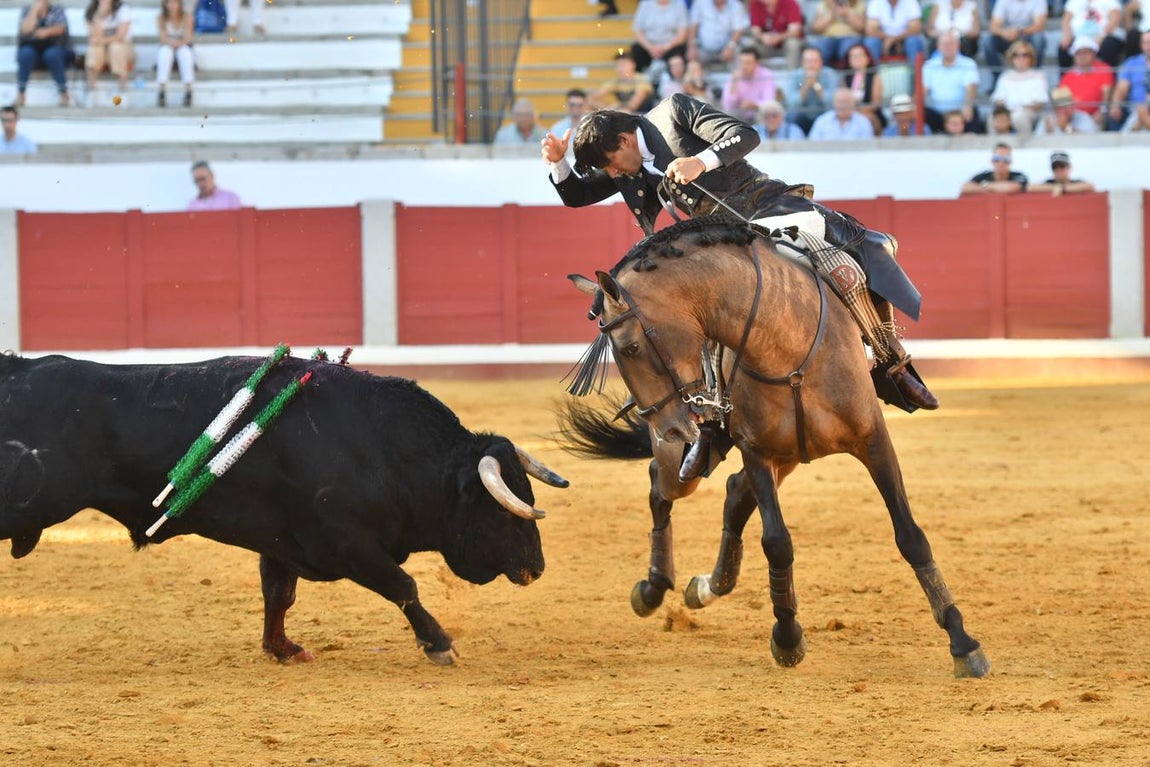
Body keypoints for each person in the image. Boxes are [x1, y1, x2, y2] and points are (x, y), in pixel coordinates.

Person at [540, 94, 940, 459]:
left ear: (625, 140)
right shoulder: (621, 163)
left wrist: (702, 161)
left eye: (611, 164)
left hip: (766, 209)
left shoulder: (673, 112)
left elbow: (743, 134)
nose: (613, 174)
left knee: (851, 254)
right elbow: (577, 195)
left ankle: (892, 363)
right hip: (716, 247)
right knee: (687, 321)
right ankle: (713, 427)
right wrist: (558, 162)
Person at [921, 31, 981, 133]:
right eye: (945, 44)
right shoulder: (929, 65)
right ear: (938, 47)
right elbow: (923, 90)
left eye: (951, 44)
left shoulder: (968, 63)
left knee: (972, 112)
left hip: (961, 112)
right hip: (937, 114)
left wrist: (968, 105)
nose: (948, 47)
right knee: (920, 113)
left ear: (958, 46)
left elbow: (971, 88)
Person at [16, 0, 72, 107]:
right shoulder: (27, 10)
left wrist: (46, 32)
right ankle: (21, 94)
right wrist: (34, 12)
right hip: (34, 51)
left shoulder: (57, 9)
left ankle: (63, 93)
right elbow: (25, 29)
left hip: (55, 50)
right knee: (25, 53)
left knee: (52, 54)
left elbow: (61, 28)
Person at [989, 39, 1049, 134]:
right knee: (993, 118)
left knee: (1019, 117)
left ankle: (1023, 147)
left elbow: (1040, 103)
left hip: (1029, 112)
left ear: (1031, 58)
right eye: (1016, 55)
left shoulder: (1038, 76)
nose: (1020, 59)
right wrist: (1007, 111)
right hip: (1008, 111)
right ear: (1011, 58)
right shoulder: (1005, 76)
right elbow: (997, 99)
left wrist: (1019, 109)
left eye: (1024, 55)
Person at [1059, 36, 1115, 128]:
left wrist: (1102, 111)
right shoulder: (1067, 76)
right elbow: (1061, 101)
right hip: (1070, 116)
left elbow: (1107, 94)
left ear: (1093, 54)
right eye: (1078, 53)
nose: (1082, 56)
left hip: (1091, 116)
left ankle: (1070, 131)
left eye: (1086, 52)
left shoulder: (1104, 70)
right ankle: (1069, 130)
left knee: (1083, 123)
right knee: (1049, 120)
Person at [85, 0, 136, 102]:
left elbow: (121, 36)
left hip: (122, 49)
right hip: (102, 51)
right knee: (94, 49)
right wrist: (100, 15)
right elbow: (94, 36)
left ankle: (123, 91)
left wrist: (102, 40)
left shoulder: (123, 9)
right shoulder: (92, 11)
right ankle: (91, 92)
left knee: (116, 47)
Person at [782, 45, 839, 134]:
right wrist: (805, 86)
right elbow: (791, 103)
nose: (811, 65)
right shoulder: (795, 76)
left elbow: (832, 102)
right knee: (791, 115)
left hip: (823, 112)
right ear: (802, 62)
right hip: (802, 114)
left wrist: (816, 85)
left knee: (832, 114)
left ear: (821, 62)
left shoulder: (830, 74)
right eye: (808, 61)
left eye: (815, 61)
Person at [984, 0, 1047, 79]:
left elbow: (1039, 25)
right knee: (988, 41)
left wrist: (1019, 31)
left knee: (1038, 39)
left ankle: (1034, 77)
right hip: (1008, 37)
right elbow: (993, 26)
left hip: (1027, 36)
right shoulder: (1003, 1)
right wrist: (1004, 33)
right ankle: (998, 79)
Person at [1058, 0, 1124, 69]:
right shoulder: (1073, 1)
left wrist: (1102, 35)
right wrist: (1067, 34)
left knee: (1109, 45)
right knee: (1064, 46)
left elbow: (1115, 19)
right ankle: (1066, 79)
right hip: (1078, 37)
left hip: (1104, 36)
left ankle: (1108, 77)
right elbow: (1066, 19)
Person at [630, 0, 690, 75]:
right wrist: (650, 48)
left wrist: (665, 47)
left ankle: (673, 82)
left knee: (679, 54)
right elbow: (637, 30)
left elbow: (682, 34)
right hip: (649, 45)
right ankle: (641, 81)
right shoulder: (645, 4)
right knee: (636, 50)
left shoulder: (679, 5)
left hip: (671, 46)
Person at [687, 0, 749, 70]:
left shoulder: (736, 5)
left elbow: (739, 29)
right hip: (703, 48)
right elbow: (693, 25)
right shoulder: (700, 2)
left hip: (727, 47)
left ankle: (735, 79)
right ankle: (697, 80)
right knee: (691, 56)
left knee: (741, 53)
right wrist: (692, 46)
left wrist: (730, 46)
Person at [720, 47, 777, 122]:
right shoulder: (734, 76)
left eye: (748, 63)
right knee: (728, 116)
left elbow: (770, 101)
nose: (744, 66)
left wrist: (754, 105)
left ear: (757, 63)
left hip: (759, 113)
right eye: (742, 62)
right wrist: (734, 84)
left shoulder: (766, 75)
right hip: (740, 114)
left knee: (765, 114)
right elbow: (727, 105)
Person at [590, 50, 657, 114]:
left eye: (623, 65)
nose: (620, 68)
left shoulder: (641, 79)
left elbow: (635, 102)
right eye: (617, 65)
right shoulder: (615, 82)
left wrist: (617, 107)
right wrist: (607, 108)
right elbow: (592, 99)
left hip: (646, 115)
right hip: (626, 113)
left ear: (633, 64)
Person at [1108, 30, 1150, 130]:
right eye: (1145, 42)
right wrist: (1116, 105)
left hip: (1142, 109)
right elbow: (1122, 87)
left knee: (1141, 115)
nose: (1148, 46)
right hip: (1135, 109)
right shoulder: (1132, 62)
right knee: (1140, 112)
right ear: (1141, 44)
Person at [156, 0, 195, 108]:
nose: (172, 6)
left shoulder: (187, 17)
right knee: (165, 52)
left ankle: (188, 88)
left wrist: (178, 43)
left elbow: (188, 38)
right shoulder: (161, 18)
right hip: (168, 45)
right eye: (169, 3)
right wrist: (172, 43)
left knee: (185, 53)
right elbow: (162, 37)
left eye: (174, 3)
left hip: (182, 45)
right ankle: (161, 89)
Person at [746, 0, 805, 69]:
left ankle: (791, 73)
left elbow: (795, 31)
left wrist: (779, 37)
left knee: (793, 44)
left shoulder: (790, 3)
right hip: (766, 44)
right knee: (750, 46)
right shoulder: (756, 4)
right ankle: (755, 76)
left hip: (784, 44)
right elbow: (755, 30)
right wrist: (762, 37)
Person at [864, 0, 926, 64]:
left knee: (913, 41)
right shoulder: (876, 2)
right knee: (872, 42)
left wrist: (895, 39)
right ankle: (873, 73)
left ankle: (917, 73)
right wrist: (889, 39)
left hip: (904, 39)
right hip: (883, 40)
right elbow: (870, 30)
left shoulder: (910, 1)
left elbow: (915, 29)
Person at [842, 42, 886, 134]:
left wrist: (859, 112)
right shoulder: (846, 78)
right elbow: (843, 99)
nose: (856, 59)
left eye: (859, 56)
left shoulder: (874, 77)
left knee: (871, 119)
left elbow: (876, 103)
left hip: (869, 112)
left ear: (867, 58)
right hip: (848, 111)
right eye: (853, 56)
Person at [807, 0, 866, 67]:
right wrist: (831, 16)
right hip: (828, 37)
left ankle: (847, 76)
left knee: (848, 50)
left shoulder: (858, 4)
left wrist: (847, 15)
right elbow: (816, 29)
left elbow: (861, 28)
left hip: (850, 37)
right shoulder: (824, 4)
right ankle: (826, 73)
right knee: (818, 50)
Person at [807, 87, 876, 139]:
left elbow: (868, 148)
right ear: (834, 103)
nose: (843, 105)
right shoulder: (821, 121)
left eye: (846, 101)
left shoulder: (863, 122)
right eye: (840, 102)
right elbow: (812, 146)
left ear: (853, 104)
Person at [960, 143, 1028, 194]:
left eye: (1006, 159)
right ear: (992, 161)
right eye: (997, 159)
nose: (1001, 163)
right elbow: (966, 188)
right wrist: (995, 189)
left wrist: (985, 186)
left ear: (1010, 161)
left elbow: (1011, 188)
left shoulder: (1019, 175)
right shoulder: (984, 175)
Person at [1028, 151, 1097, 195]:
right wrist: (1054, 187)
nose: (1059, 170)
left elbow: (1090, 186)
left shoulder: (1076, 182)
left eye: (1062, 166)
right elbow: (1031, 187)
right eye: (1055, 167)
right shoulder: (1049, 182)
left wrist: (1062, 188)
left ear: (1069, 167)